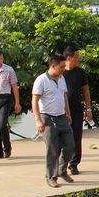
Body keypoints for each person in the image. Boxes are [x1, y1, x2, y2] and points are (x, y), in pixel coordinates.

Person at [32, 53, 75, 188]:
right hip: (47, 118)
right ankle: (51, 176)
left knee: (70, 146)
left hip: (62, 116)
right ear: (53, 66)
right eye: (61, 67)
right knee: (52, 149)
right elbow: (35, 100)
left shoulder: (62, 79)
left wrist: (68, 112)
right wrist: (38, 120)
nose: (64, 69)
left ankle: (62, 170)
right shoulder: (41, 80)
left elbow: (64, 96)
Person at [62, 46, 92, 175]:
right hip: (61, 111)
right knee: (63, 137)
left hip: (77, 109)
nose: (78, 59)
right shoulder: (60, 72)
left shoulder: (80, 72)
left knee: (76, 137)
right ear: (69, 58)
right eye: (76, 57)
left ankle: (74, 164)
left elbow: (85, 91)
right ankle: (62, 163)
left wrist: (88, 108)